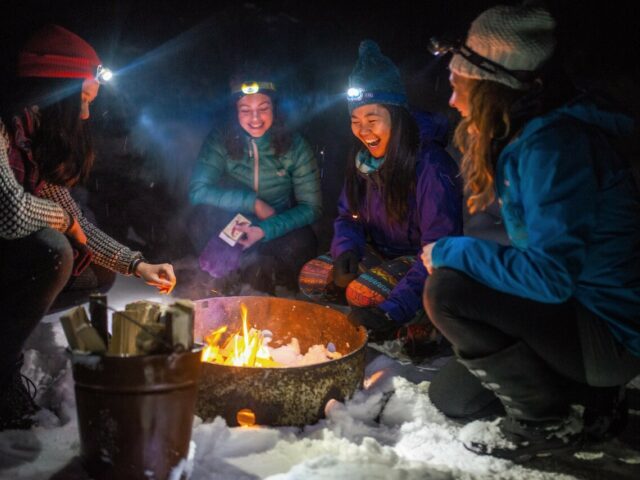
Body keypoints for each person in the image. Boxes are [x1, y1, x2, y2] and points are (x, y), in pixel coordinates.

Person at [421, 5, 640, 460]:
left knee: (446, 292)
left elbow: (551, 276)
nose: (452, 101)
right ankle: (593, 402)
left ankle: (547, 424)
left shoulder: (553, 147)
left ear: (488, 89)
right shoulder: (525, 137)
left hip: (607, 330)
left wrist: (450, 250)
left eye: (458, 85)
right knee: (454, 397)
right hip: (579, 316)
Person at [0, 24, 176, 431]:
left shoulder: (33, 132)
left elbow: (71, 214)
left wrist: (136, 265)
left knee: (95, 272)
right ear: (55, 89)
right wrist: (66, 225)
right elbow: (8, 213)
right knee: (53, 251)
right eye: (81, 98)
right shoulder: (5, 126)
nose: (85, 113)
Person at [299, 40, 462, 343]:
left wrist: (391, 310)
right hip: (379, 254)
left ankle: (416, 317)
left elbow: (441, 251)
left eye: (372, 120)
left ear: (396, 117)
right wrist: (346, 249)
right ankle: (378, 297)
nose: (363, 131)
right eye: (355, 121)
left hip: (422, 261)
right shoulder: (363, 161)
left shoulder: (430, 164)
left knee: (362, 294)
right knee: (312, 277)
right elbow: (348, 215)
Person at [188, 70, 322, 295]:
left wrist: (263, 230)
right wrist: (253, 203)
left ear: (275, 110)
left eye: (263, 108)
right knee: (198, 222)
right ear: (235, 112)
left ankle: (273, 278)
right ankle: (227, 281)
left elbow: (312, 207)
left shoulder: (296, 145)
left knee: (303, 242)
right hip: (235, 220)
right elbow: (197, 191)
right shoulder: (220, 139)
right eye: (245, 110)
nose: (255, 119)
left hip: (275, 222)